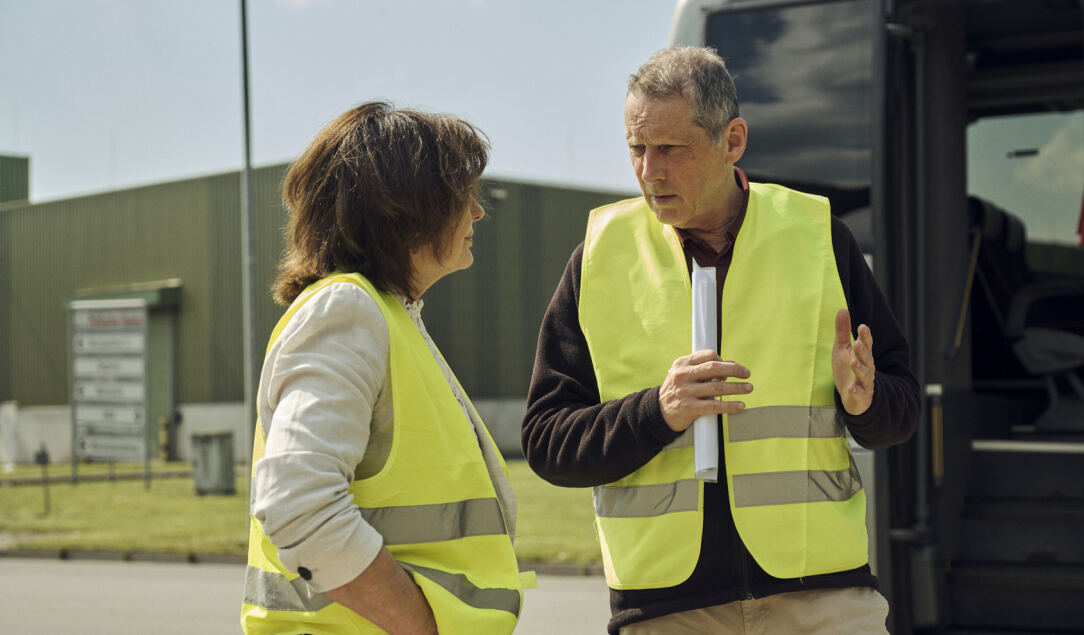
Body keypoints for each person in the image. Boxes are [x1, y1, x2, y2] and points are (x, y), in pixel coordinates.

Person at [522, 47, 919, 634]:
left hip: (822, 599)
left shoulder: (818, 238)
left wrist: (867, 402)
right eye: (637, 148)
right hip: (667, 611)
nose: (649, 171)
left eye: (670, 150)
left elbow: (902, 409)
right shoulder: (598, 258)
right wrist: (656, 412)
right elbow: (546, 442)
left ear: (732, 141)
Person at [241, 101, 530, 635]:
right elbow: (297, 503)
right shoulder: (348, 311)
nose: (478, 212)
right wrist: (423, 626)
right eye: (461, 196)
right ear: (407, 209)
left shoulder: (389, 314)